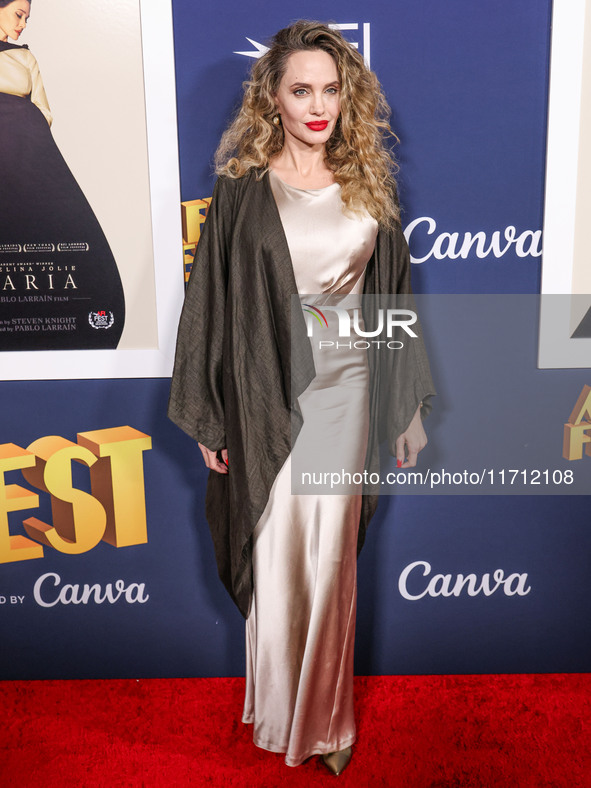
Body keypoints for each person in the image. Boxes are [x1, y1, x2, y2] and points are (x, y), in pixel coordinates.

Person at [169, 20, 435, 775]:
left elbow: (391, 305)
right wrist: (208, 410)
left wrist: (406, 406)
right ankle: (281, 708)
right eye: (299, 90)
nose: (317, 106)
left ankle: (327, 720)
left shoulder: (370, 188)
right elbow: (211, 308)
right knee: (277, 552)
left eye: (330, 89)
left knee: (330, 561)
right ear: (272, 99)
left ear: (347, 97)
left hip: (347, 397)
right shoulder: (243, 191)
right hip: (264, 393)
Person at [0, 0, 125, 350]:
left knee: (54, 231)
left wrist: (33, 148)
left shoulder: (24, 58)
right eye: (18, 14)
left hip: (30, 152)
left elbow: (43, 109)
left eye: (27, 17)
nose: (23, 24)